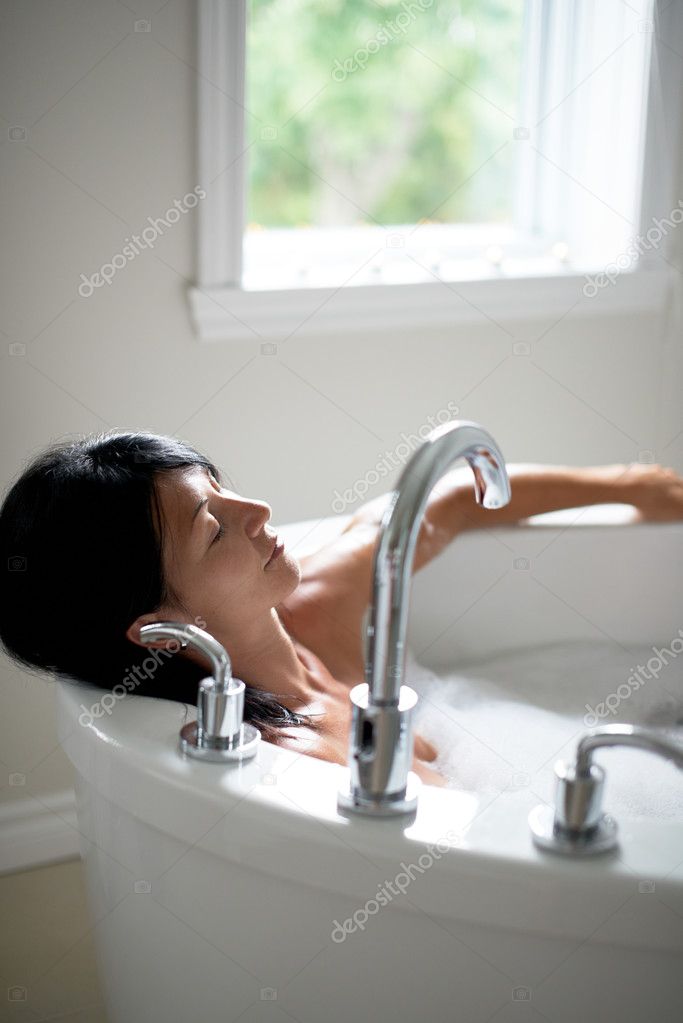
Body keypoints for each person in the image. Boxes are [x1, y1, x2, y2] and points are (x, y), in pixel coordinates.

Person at [2, 430, 682, 788]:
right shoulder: (284, 755)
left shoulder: (316, 609)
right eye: (213, 528)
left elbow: (434, 507)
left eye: (221, 489)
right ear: (158, 631)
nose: (258, 510)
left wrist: (635, 487)